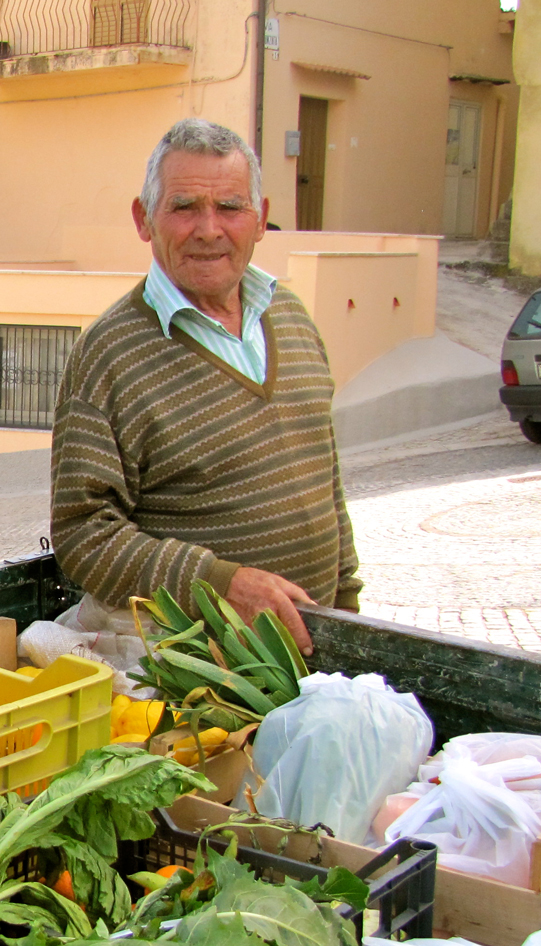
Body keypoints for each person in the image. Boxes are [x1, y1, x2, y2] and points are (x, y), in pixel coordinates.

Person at [49, 118, 360, 654]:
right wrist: (222, 586)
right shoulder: (110, 354)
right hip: (201, 684)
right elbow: (84, 535)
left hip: (315, 652)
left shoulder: (290, 315)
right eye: (184, 206)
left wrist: (350, 614)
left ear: (260, 220)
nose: (209, 229)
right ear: (144, 219)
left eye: (230, 207)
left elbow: (325, 481)